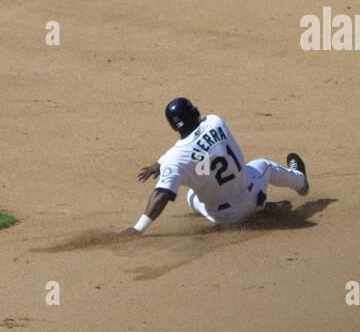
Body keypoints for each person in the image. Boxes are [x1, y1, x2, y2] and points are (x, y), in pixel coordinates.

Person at [119, 98, 309, 236]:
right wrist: (163, 162)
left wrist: (138, 229)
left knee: (191, 195)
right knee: (263, 165)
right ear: (194, 113)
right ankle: (300, 182)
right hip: (253, 197)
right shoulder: (215, 121)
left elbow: (161, 195)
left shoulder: (175, 159)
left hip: (224, 219)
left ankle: (260, 210)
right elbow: (200, 147)